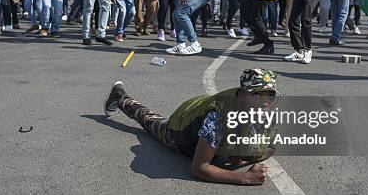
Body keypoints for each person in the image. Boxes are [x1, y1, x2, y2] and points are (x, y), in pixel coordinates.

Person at [103, 68, 277, 185]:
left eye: (269, 95)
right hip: (180, 130)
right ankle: (121, 97)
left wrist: (243, 156)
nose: (264, 101)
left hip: (202, 110)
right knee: (150, 120)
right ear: (241, 96)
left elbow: (270, 147)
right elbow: (199, 168)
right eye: (256, 94)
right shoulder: (217, 119)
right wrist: (244, 177)